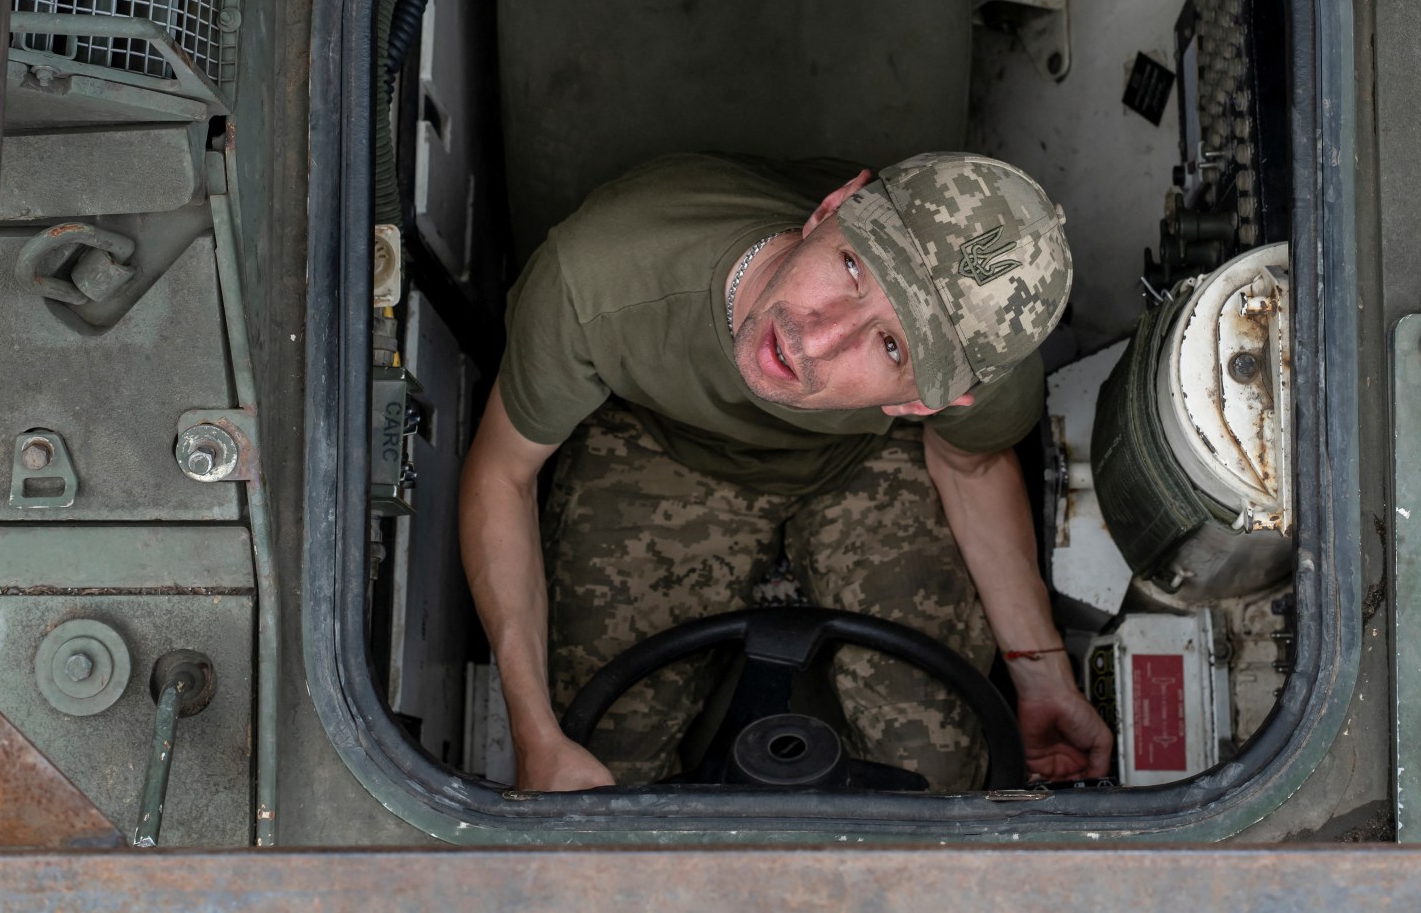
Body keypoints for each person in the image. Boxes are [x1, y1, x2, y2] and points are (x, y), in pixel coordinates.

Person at [457, 150, 1114, 792]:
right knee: (594, 769)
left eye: (891, 346)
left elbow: (969, 468)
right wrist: (534, 735)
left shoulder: (987, 373)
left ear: (924, 402)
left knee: (938, 779)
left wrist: (1043, 676)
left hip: (865, 460)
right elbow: (503, 476)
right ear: (831, 208)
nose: (817, 340)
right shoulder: (597, 273)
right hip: (667, 440)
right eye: (853, 267)